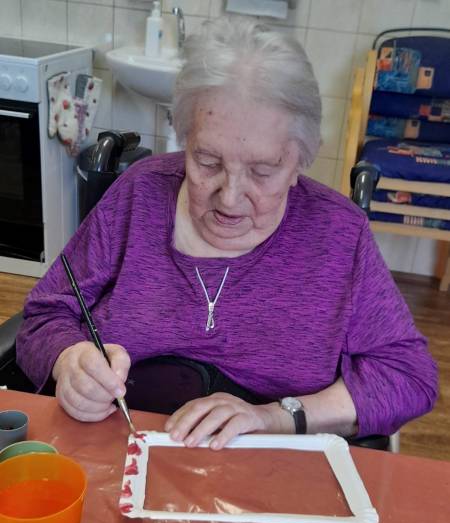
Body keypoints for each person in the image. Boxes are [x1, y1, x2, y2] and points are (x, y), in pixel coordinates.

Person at [16, 17, 438, 450]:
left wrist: (276, 417)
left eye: (262, 171)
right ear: (184, 138)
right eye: (208, 162)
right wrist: (69, 361)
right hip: (121, 457)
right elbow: (43, 318)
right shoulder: (139, 194)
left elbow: (408, 377)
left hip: (269, 476)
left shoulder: (339, 235)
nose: (230, 198)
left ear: (300, 160)